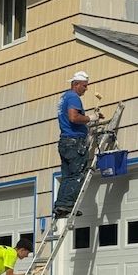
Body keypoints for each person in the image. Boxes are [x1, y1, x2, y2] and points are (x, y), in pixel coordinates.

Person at [53, 71, 103, 218]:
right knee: (76, 174)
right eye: (84, 86)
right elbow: (74, 117)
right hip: (74, 142)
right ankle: (67, 205)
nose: (86, 89)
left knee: (67, 175)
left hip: (65, 142)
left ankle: (61, 206)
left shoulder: (64, 97)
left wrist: (88, 119)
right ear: (76, 84)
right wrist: (91, 118)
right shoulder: (73, 97)